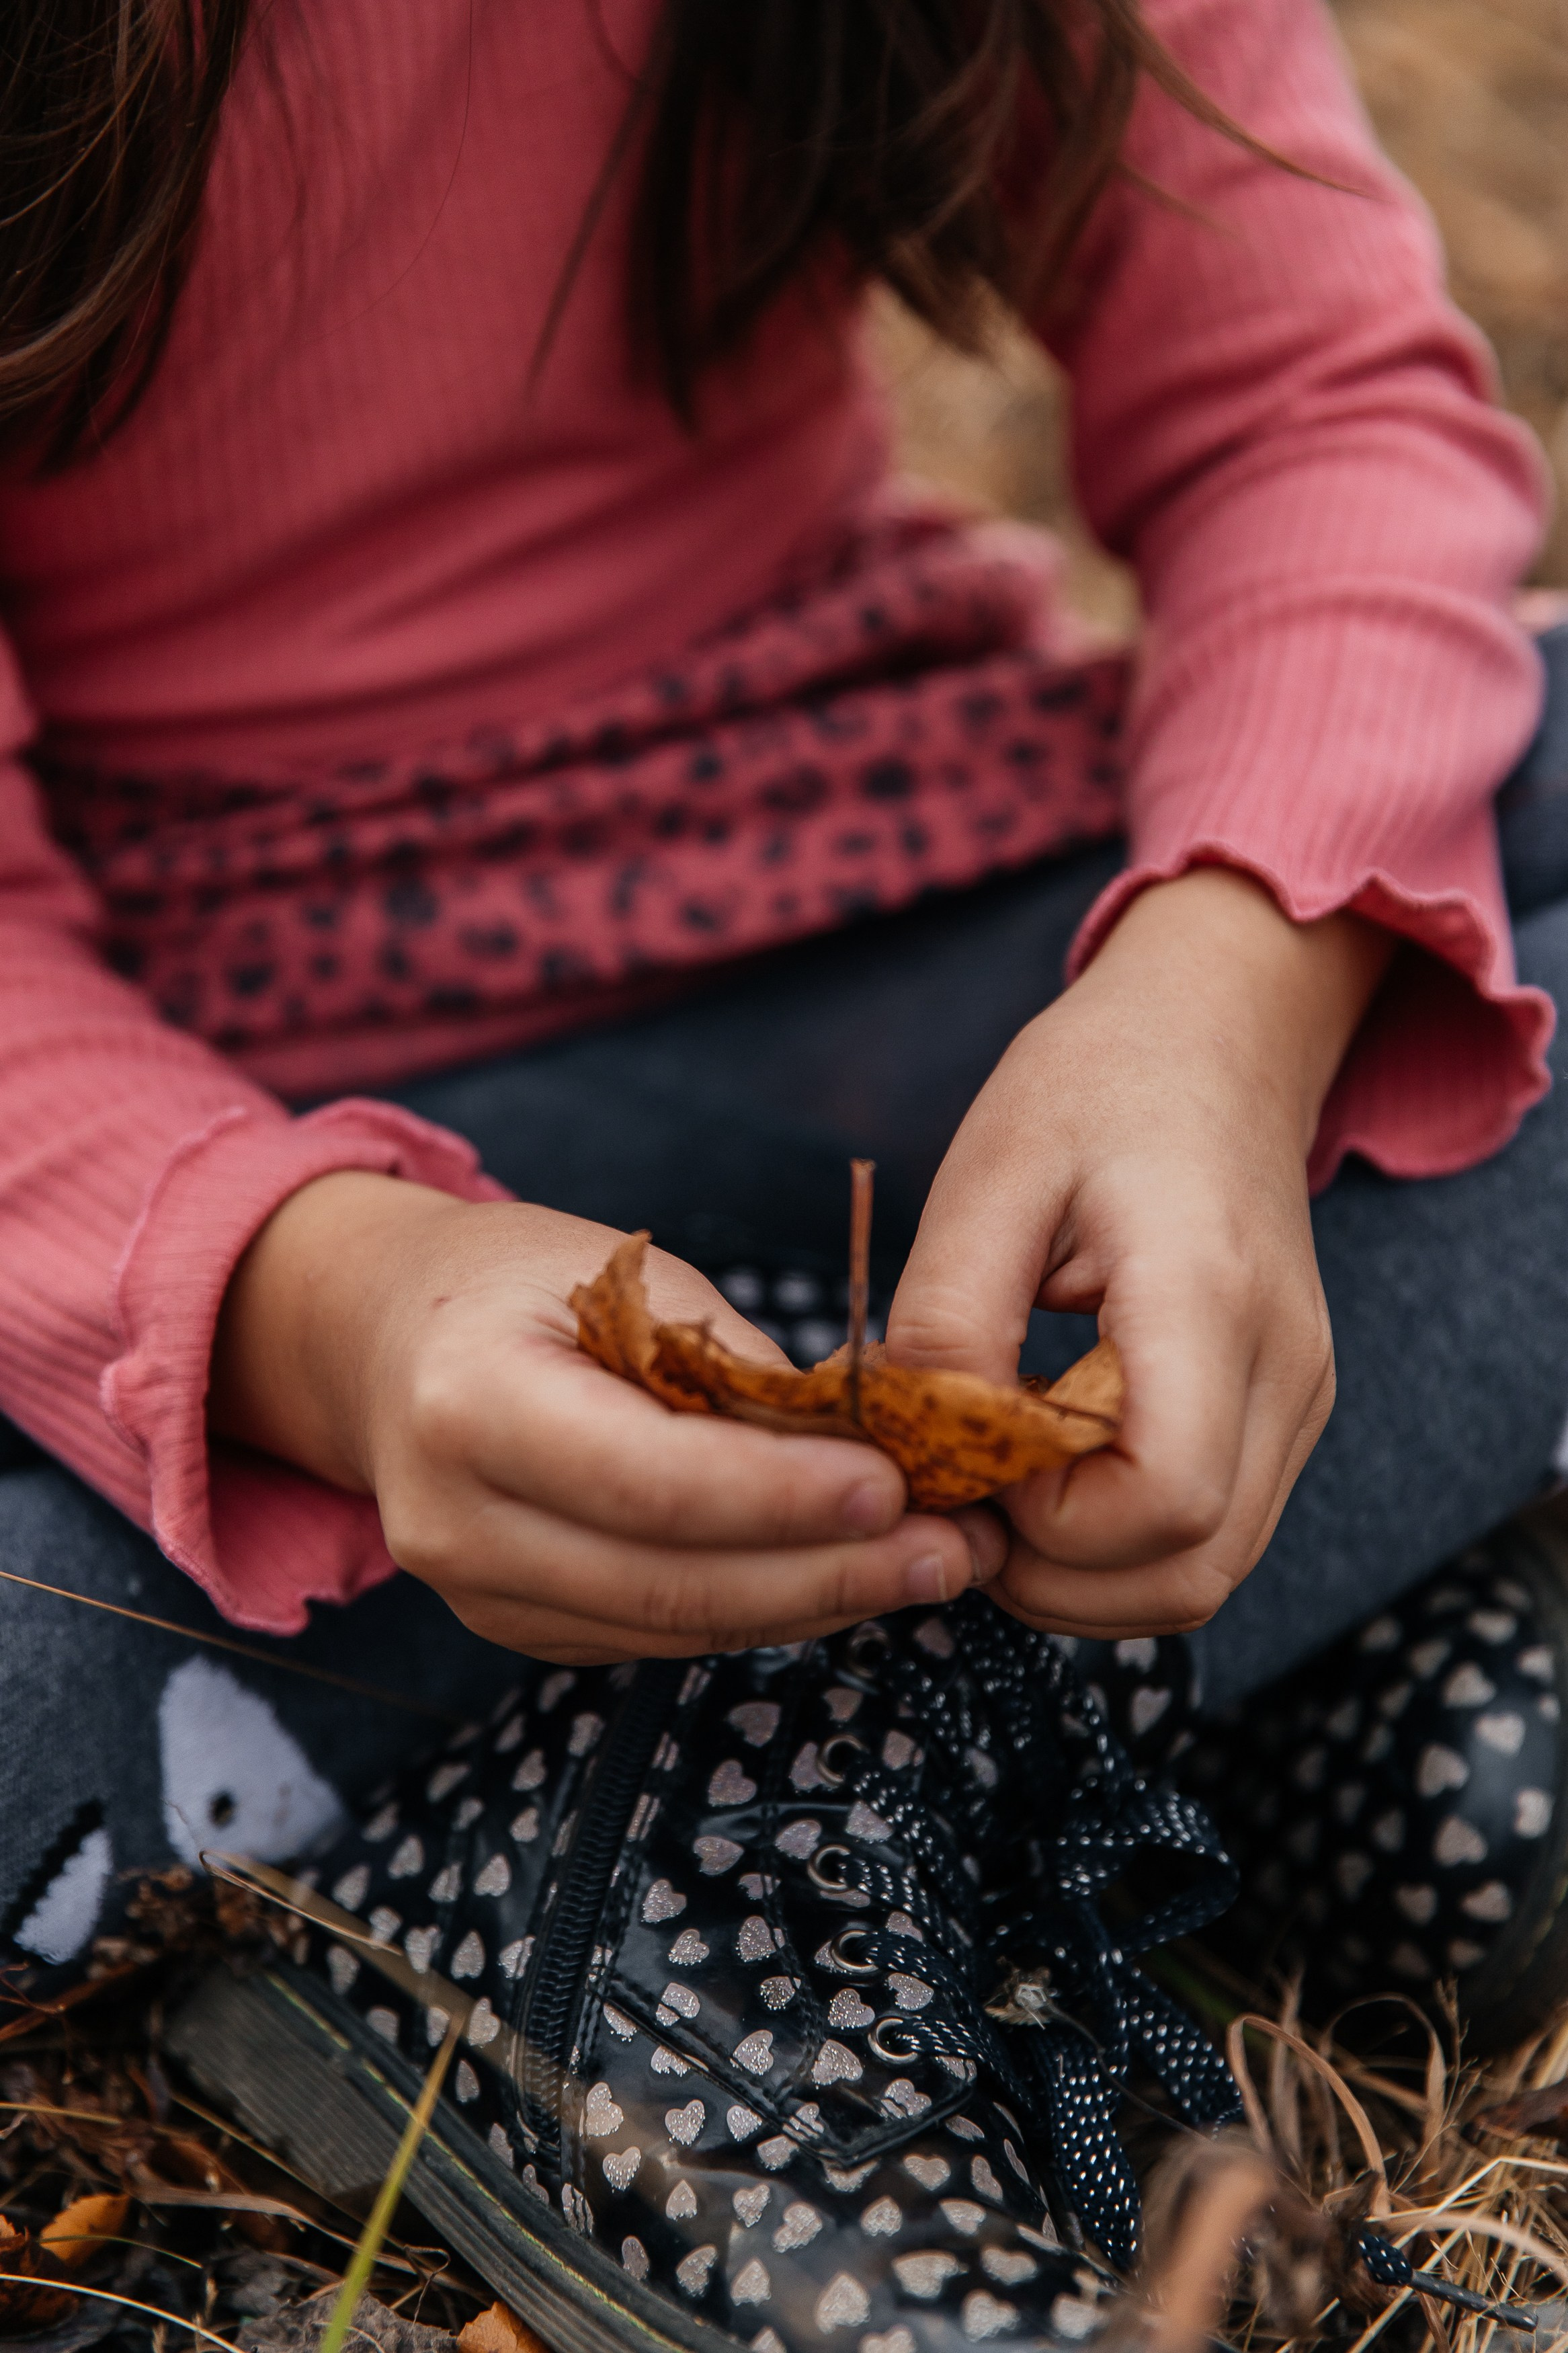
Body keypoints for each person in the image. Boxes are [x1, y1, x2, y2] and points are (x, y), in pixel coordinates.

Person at [2, 0, 1567, 2318]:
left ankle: (724, 1795)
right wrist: (326, 1317)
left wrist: (1226, 1004)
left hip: (939, 965)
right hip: (236, 1188)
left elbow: (1312, 411)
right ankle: (1057, 1715)